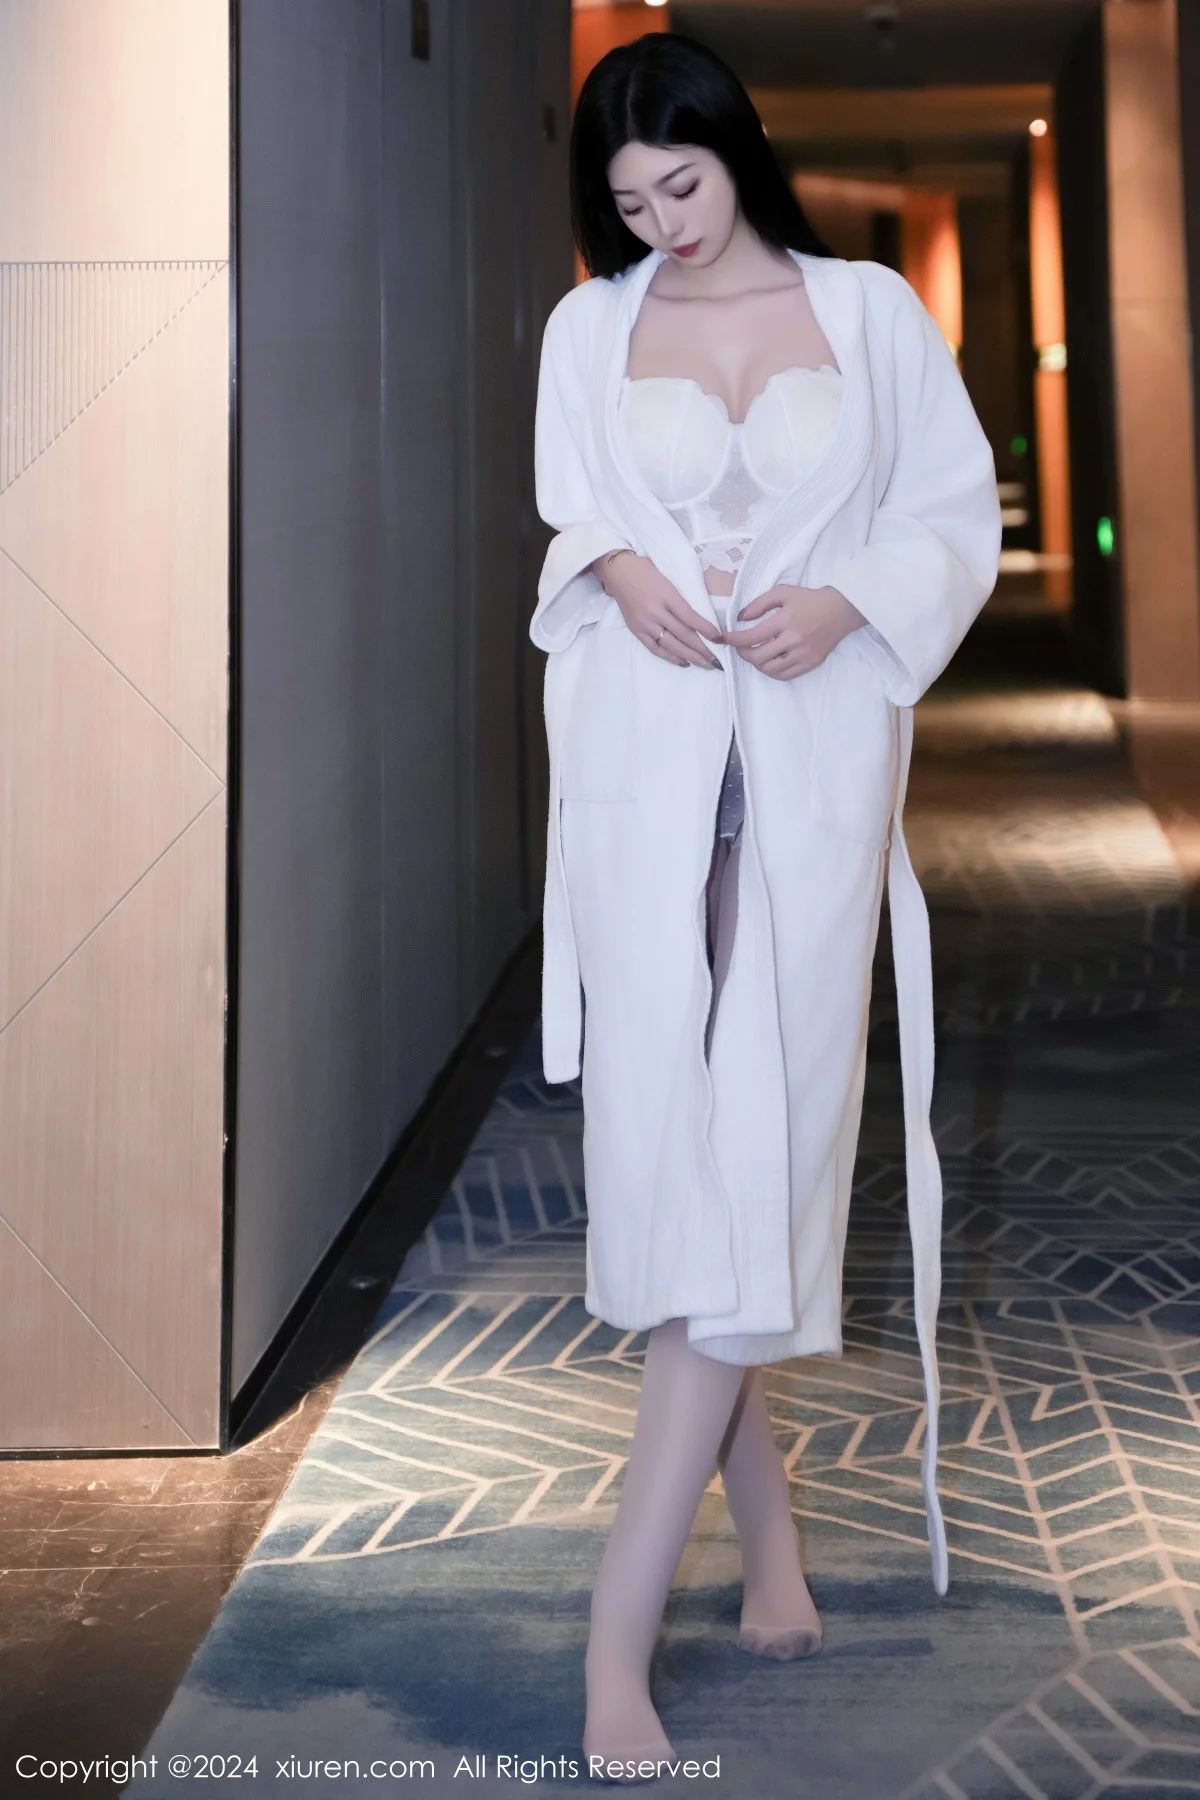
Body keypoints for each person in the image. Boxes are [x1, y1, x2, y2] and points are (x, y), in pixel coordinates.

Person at [528, 32, 1001, 1780]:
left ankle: (616, 1640)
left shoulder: (868, 310)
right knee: (682, 1133)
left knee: (773, 1130)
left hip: (808, 750)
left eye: (685, 182)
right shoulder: (591, 327)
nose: (664, 221)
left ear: (738, 150)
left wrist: (847, 600)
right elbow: (575, 513)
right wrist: (622, 566)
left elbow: (948, 510)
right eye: (631, 200)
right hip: (649, 753)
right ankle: (770, 1545)